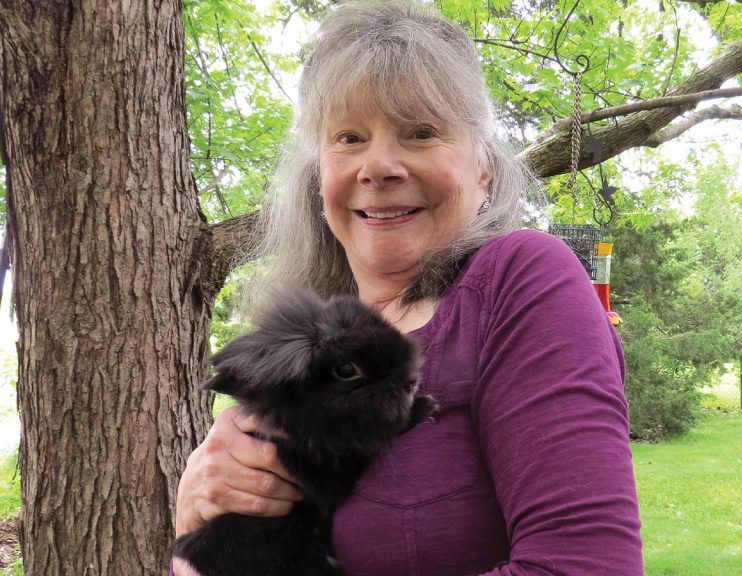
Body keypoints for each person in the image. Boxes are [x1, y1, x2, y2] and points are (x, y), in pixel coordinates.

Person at [174, 0, 643, 574]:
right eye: (348, 137)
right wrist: (197, 516)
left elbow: (585, 566)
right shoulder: (313, 339)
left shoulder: (516, 281)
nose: (379, 166)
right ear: (319, 175)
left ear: (483, 170)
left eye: (420, 133)